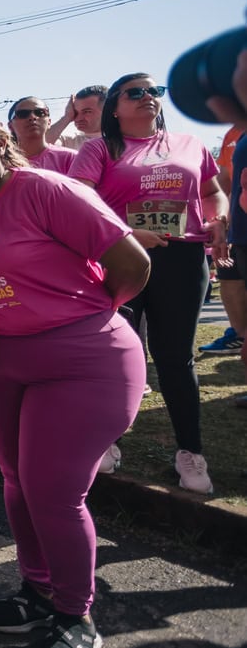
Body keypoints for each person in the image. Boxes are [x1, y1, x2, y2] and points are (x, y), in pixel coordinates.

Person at [0, 106, 150, 648]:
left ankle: (76, 615)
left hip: (83, 362)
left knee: (54, 493)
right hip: (0, 364)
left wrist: (81, 317)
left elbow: (133, 265)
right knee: (16, 483)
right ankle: (36, 591)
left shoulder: (46, 189)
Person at [68, 74, 227, 493]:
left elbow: (212, 192)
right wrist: (125, 232)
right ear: (114, 108)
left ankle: (191, 455)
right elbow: (79, 202)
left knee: (176, 357)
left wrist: (219, 218)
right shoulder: (98, 149)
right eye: (135, 93)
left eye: (154, 92)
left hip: (183, 257)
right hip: (122, 257)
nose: (148, 98)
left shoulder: (189, 144)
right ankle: (107, 441)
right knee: (119, 354)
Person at [199, 125, 246, 355]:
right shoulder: (233, 134)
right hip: (237, 226)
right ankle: (239, 335)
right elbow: (224, 181)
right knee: (229, 276)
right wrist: (220, 221)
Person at [7, 98, 77, 174]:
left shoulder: (71, 158)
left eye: (40, 112)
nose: (33, 117)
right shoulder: (0, 162)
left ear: (49, 122)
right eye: (23, 114)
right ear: (10, 126)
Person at [46, 85, 107, 151]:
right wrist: (67, 117)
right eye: (76, 112)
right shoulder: (69, 142)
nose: (78, 118)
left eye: (87, 112)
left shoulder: (117, 143)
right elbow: (38, 146)